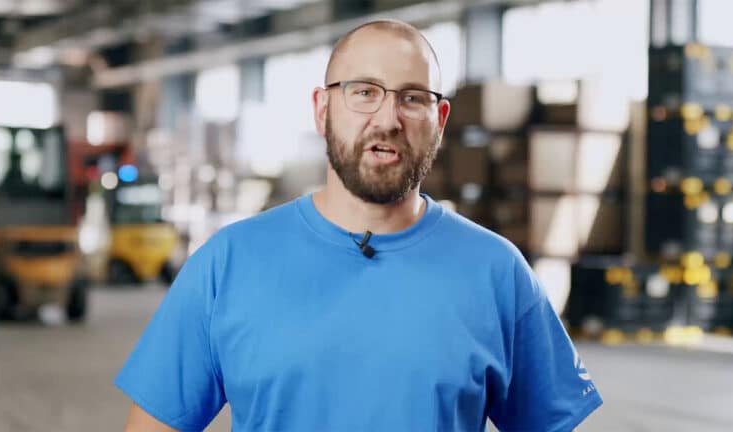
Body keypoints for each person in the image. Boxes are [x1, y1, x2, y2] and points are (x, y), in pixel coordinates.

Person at [116, 19, 602, 432]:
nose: (387, 118)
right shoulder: (228, 264)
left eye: (413, 98)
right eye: (364, 92)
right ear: (322, 108)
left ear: (441, 119)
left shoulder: (497, 272)